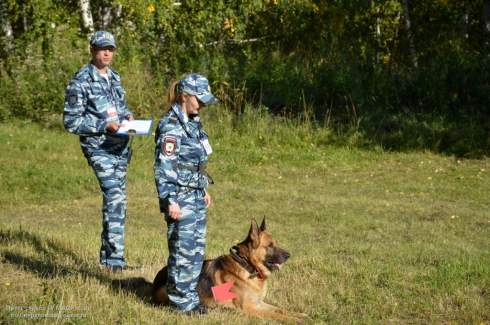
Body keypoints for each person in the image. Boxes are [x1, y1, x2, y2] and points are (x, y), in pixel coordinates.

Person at [63, 31, 139, 272]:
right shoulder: (81, 80)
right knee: (115, 197)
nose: (107, 53)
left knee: (117, 202)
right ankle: (115, 262)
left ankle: (109, 260)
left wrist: (127, 116)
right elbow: (71, 121)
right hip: (99, 149)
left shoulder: (114, 77)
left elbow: (120, 105)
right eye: (102, 48)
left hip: (119, 148)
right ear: (92, 49)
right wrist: (103, 125)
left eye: (111, 49)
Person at [154, 74, 218, 315]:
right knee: (182, 249)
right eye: (198, 100)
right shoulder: (170, 125)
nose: (201, 105)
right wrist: (171, 200)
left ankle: (189, 297)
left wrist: (203, 189)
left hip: (195, 193)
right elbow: (164, 166)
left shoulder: (192, 121)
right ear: (184, 96)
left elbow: (195, 161)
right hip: (180, 197)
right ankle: (180, 302)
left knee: (195, 250)